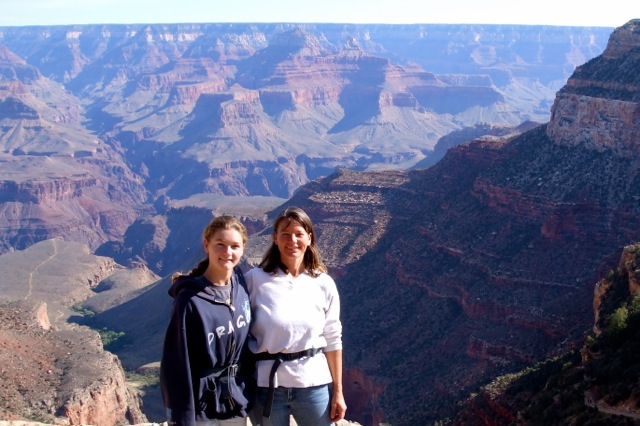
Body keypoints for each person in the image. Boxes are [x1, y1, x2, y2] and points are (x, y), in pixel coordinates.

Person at [245, 206, 346, 426]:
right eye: (285, 234)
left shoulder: (323, 283)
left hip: (313, 385)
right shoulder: (254, 279)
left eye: (299, 234)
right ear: (275, 238)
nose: (292, 240)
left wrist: (338, 392)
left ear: (309, 238)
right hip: (267, 387)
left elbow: (333, 338)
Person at [160, 215, 254, 426]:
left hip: (235, 399)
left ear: (243, 249)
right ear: (206, 245)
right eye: (220, 244)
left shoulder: (240, 284)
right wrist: (182, 417)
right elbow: (176, 363)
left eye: (234, 246)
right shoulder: (189, 300)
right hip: (201, 405)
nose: (227, 252)